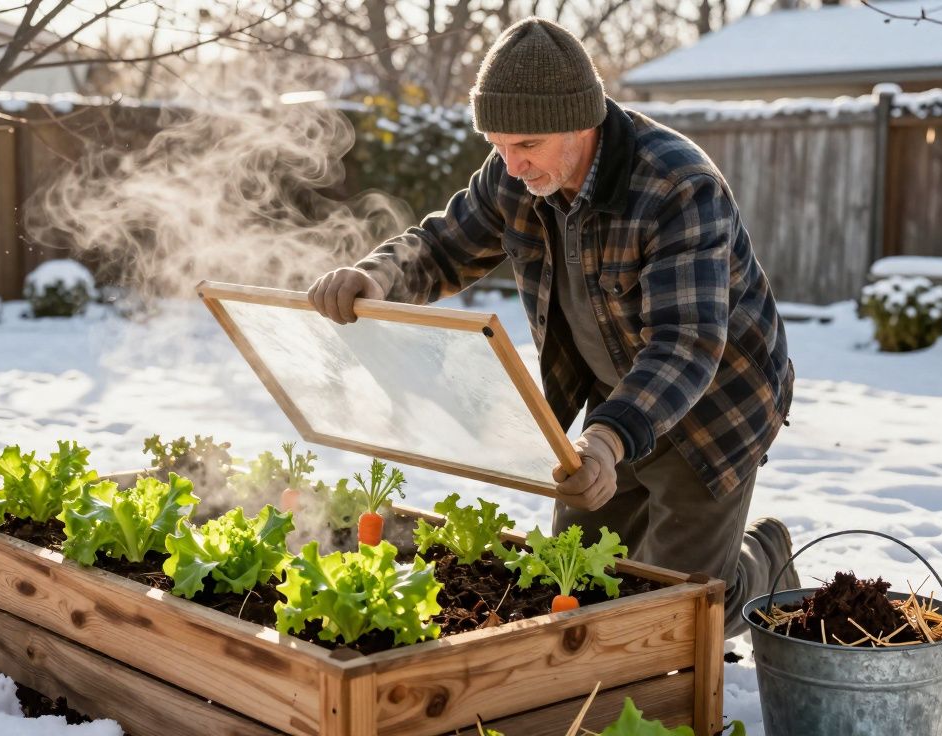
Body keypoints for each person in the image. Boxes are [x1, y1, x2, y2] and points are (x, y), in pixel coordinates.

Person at [307, 17, 799, 635]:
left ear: (582, 121)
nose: (511, 166)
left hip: (710, 408)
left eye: (527, 147)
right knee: (575, 579)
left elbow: (686, 345)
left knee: (681, 618)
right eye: (497, 144)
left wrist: (608, 440)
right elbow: (442, 247)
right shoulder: (516, 171)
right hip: (608, 402)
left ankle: (766, 560)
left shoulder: (677, 186)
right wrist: (375, 277)